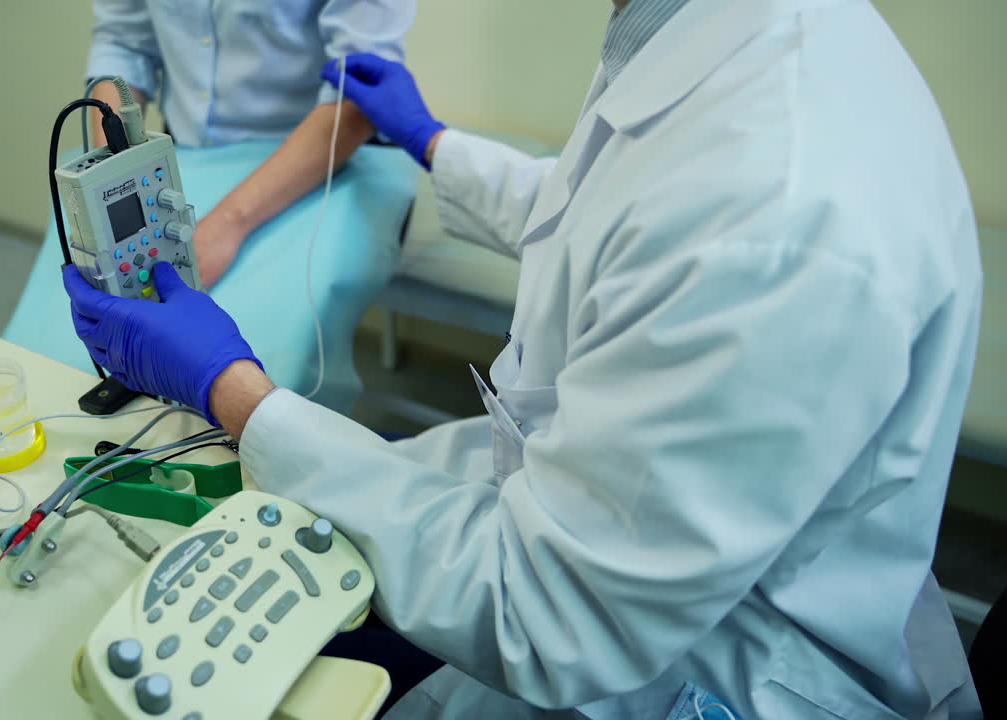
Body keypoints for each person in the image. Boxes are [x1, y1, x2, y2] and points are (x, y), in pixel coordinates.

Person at [63, 0, 985, 717]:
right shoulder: (693, 36)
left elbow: (550, 616)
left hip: (711, 666)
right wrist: (437, 145)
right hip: (602, 530)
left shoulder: (776, 209)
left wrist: (233, 390)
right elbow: (623, 225)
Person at [85, 0, 413, 287]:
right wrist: (113, 186)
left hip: (312, 168)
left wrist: (229, 224)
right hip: (184, 159)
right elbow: (123, 44)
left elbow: (360, 89)